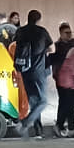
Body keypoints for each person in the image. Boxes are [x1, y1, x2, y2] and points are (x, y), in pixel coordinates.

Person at [13, 10, 52, 140]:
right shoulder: (42, 32)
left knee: (34, 101)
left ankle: (38, 130)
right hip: (38, 71)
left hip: (24, 70)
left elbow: (15, 45)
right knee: (43, 101)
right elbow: (50, 48)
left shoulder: (20, 31)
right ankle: (25, 123)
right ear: (38, 19)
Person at [52, 22, 74, 137]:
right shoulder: (59, 46)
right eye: (66, 33)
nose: (69, 35)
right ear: (61, 33)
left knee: (71, 103)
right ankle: (60, 125)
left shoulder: (73, 43)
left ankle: (69, 126)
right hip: (62, 78)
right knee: (64, 102)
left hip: (73, 77)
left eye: (70, 32)